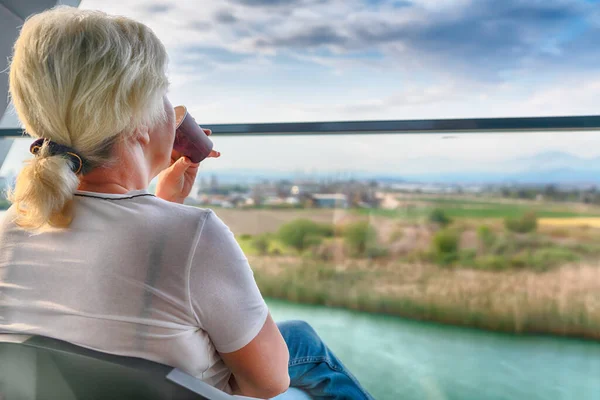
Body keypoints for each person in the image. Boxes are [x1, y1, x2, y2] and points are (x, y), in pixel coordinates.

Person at [0, 6, 374, 400]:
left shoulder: (10, 227)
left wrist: (165, 205)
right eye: (162, 92)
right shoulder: (195, 236)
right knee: (300, 341)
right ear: (137, 119)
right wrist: (174, 220)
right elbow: (268, 383)